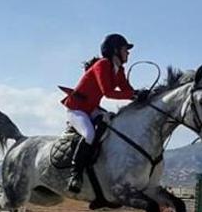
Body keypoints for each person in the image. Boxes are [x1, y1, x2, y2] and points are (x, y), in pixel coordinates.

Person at [61, 33, 148, 193]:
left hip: (92, 108)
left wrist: (142, 94)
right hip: (77, 108)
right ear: (115, 50)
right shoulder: (102, 65)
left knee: (112, 125)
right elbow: (107, 92)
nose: (128, 53)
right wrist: (133, 94)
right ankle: (75, 174)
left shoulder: (119, 70)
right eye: (125, 49)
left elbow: (127, 91)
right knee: (89, 134)